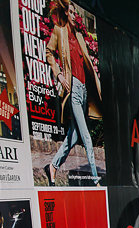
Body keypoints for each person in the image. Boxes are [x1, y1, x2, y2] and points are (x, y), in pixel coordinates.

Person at [44, 0, 102, 186]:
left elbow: (87, 65)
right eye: (71, 12)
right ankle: (95, 179)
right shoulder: (59, 31)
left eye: (75, 12)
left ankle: (52, 166)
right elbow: (48, 52)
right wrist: (59, 74)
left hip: (84, 90)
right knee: (86, 136)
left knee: (74, 136)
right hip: (73, 88)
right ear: (65, 13)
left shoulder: (79, 36)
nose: (74, 15)